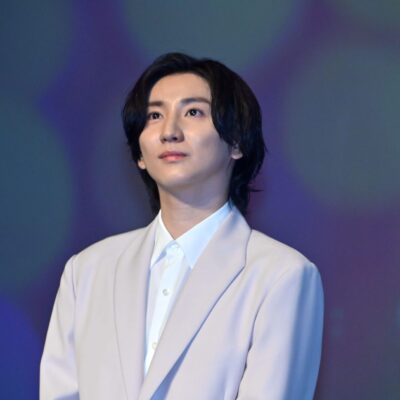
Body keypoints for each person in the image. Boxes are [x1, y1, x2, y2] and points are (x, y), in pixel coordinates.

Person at [40, 53, 324, 400]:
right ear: (139, 154)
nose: (170, 132)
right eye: (154, 116)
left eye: (193, 112)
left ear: (236, 142)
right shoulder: (86, 271)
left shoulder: (281, 276)